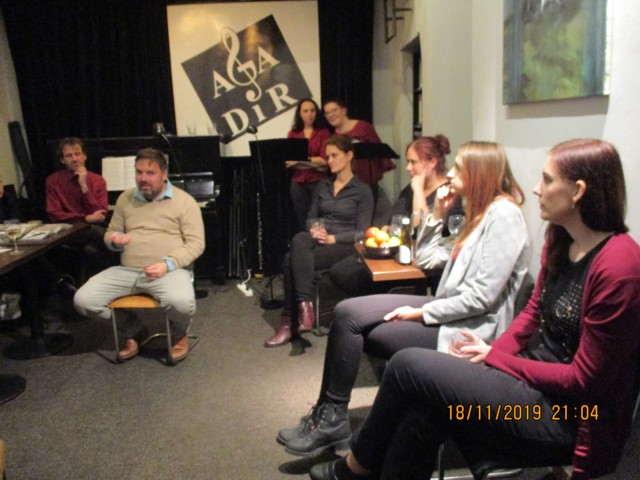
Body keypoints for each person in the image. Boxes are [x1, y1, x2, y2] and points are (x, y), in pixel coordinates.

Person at [309, 139, 640, 480]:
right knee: (422, 412)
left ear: (578, 191)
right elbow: (531, 314)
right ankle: (354, 463)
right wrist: (493, 358)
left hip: (564, 415)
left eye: (547, 179)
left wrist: (495, 358)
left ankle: (356, 468)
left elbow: (583, 380)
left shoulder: (618, 265)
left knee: (407, 364)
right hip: (526, 381)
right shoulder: (561, 237)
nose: (536, 188)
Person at [277, 141, 531, 457]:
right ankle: (329, 414)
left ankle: (334, 422)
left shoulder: (504, 215)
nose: (451, 174)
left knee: (360, 326)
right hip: (449, 310)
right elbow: (425, 258)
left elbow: (481, 300)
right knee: (347, 312)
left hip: (469, 329)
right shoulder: (478, 213)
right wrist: (436, 215)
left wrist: (421, 312)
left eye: (459, 168)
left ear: (480, 173)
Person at [74, 148, 205, 363]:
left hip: (167, 271)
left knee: (181, 302)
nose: (143, 178)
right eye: (139, 172)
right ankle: (133, 329)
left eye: (150, 173)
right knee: (83, 301)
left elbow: (196, 244)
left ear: (164, 174)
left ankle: (178, 332)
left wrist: (168, 264)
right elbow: (110, 233)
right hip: (127, 271)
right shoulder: (125, 198)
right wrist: (114, 240)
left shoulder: (184, 201)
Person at [264, 134, 374, 348]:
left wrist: (334, 238)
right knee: (300, 238)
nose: (329, 160)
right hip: (320, 241)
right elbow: (310, 218)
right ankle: (305, 307)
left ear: (349, 155)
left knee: (289, 260)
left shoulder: (362, 191)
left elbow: (362, 232)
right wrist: (315, 229)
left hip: (345, 246)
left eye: (334, 155)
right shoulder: (323, 186)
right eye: (327, 156)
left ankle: (288, 321)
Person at [329, 134, 463, 297]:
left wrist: (418, 191)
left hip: (422, 263)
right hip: (397, 253)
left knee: (355, 278)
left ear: (432, 162)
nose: (408, 167)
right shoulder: (409, 188)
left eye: (413, 162)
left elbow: (420, 230)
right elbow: (393, 220)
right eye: (408, 162)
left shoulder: (448, 193)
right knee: (340, 270)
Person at [0, 175, 76, 301]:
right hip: (4, 247)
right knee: (27, 261)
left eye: (0, 183)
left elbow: (16, 222)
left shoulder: (8, 198)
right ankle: (59, 283)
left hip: (10, 242)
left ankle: (53, 288)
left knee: (34, 254)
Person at [46, 137, 111, 276]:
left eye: (77, 154)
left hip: (92, 229)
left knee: (100, 244)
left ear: (84, 156)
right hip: (68, 230)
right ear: (62, 160)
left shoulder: (98, 180)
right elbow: (54, 214)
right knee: (104, 236)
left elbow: (100, 215)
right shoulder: (53, 181)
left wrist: (84, 186)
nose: (74, 159)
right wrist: (85, 218)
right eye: (69, 155)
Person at [322, 98, 395, 189]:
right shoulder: (332, 136)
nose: (331, 115)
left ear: (344, 111)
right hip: (345, 184)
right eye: (327, 113)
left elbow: (380, 153)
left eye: (334, 110)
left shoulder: (364, 128)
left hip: (366, 182)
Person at [285, 98, 331, 232]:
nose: (309, 114)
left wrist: (300, 161)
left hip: (318, 182)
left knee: (318, 216)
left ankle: (319, 242)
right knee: (302, 217)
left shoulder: (323, 133)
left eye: (312, 110)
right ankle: (305, 242)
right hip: (298, 182)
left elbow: (324, 161)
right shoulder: (293, 134)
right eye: (305, 111)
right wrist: (315, 164)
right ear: (300, 114)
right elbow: (290, 163)